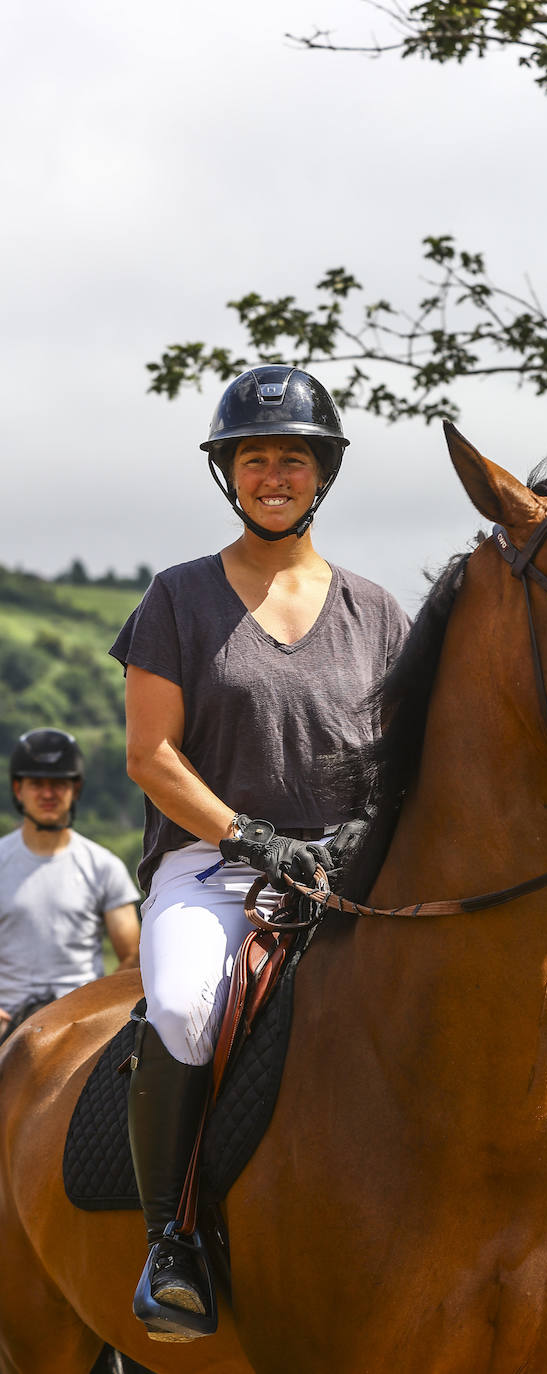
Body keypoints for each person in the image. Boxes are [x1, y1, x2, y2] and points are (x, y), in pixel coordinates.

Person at [109, 365, 410, 1343]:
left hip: (352, 874)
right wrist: (250, 836)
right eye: (253, 459)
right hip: (220, 868)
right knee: (189, 1005)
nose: (272, 474)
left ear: (320, 473)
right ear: (228, 476)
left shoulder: (376, 612)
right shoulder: (178, 599)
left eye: (290, 458)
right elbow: (150, 757)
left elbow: (410, 760)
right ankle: (172, 1243)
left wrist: (360, 844)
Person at [0, 728, 140, 1041]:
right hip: (6, 1019)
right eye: (37, 783)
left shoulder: (105, 866)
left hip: (80, 1023)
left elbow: (131, 957)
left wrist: (95, 1008)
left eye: (59, 784)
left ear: (75, 790)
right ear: (17, 789)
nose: (48, 794)